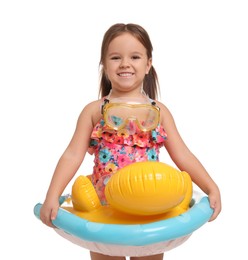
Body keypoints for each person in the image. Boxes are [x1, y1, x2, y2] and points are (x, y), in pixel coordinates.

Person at [40, 23, 221, 260]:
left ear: (148, 65)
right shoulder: (94, 111)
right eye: (116, 57)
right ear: (104, 66)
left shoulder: (159, 111)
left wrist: (210, 186)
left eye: (135, 57)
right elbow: (72, 155)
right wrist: (53, 195)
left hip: (150, 211)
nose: (125, 63)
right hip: (105, 212)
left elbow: (183, 155)